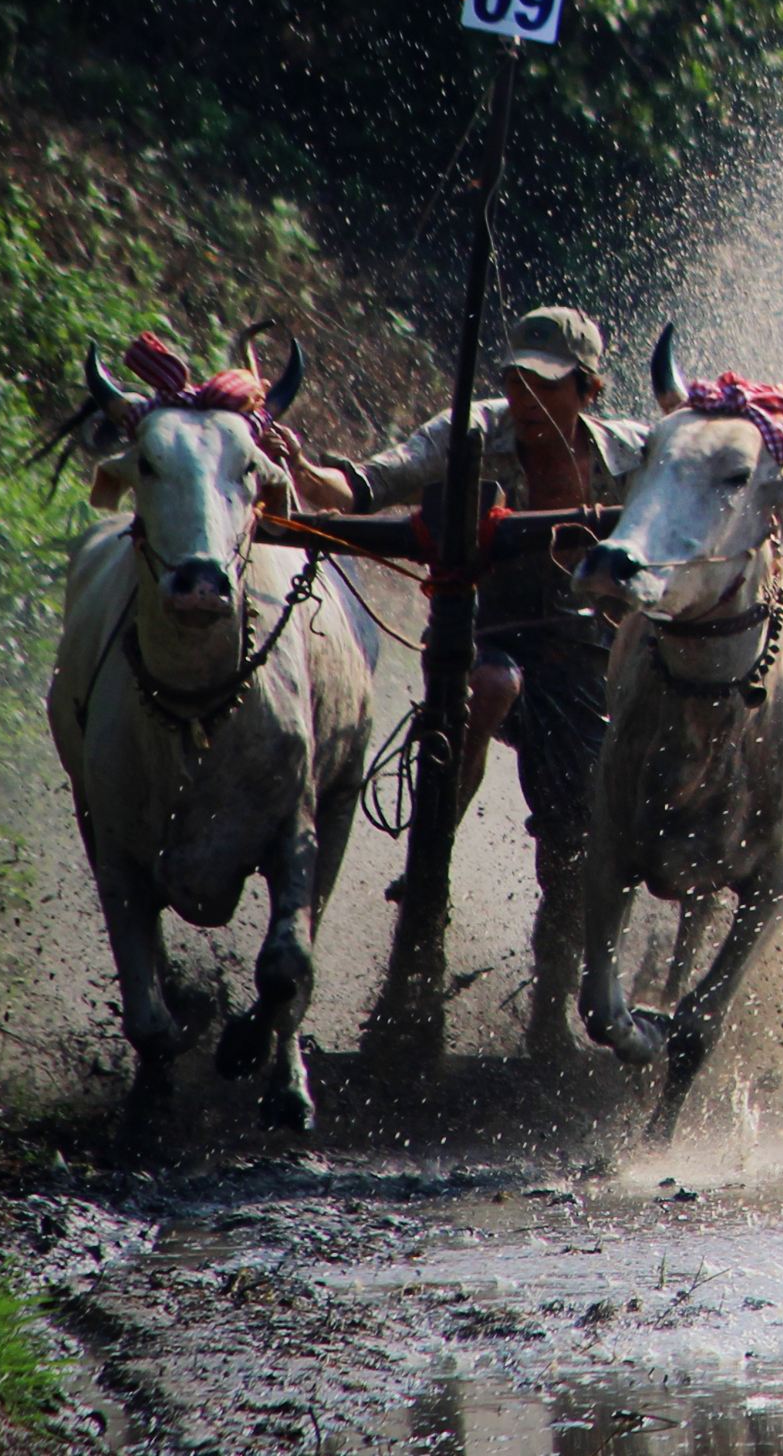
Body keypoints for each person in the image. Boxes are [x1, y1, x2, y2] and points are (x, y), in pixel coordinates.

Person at [289, 307, 651, 1056]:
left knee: (571, 846)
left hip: (588, 656)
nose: (522, 392)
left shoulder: (633, 456)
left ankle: (550, 1020)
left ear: (586, 389)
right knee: (488, 688)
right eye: (515, 376)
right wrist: (299, 473)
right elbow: (366, 484)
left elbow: (702, 492)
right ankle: (433, 849)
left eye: (543, 383)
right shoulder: (469, 432)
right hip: (484, 634)